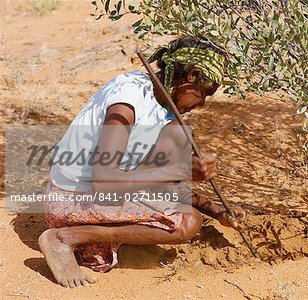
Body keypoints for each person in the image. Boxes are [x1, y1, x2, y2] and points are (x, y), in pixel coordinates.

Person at [38, 36, 246, 288]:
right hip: (71, 198)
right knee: (188, 222)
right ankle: (66, 238)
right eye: (204, 93)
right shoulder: (128, 98)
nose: (201, 103)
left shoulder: (169, 116)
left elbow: (167, 186)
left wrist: (216, 210)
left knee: (178, 137)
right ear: (191, 76)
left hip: (106, 192)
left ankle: (94, 237)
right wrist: (178, 170)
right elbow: (103, 181)